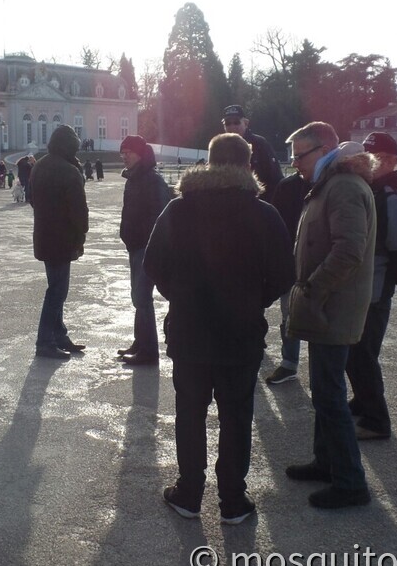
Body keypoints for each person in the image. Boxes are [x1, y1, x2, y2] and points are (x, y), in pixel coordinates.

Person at [146, 133, 294, 525]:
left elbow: (153, 264)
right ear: (249, 165)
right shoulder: (265, 214)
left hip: (190, 330)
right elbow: (284, 275)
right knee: (236, 414)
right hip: (240, 332)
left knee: (190, 412)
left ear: (209, 163)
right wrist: (252, 300)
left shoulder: (178, 210)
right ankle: (232, 499)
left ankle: (189, 493)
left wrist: (180, 295)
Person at [283, 122, 378, 510]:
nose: (294, 165)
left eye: (299, 156)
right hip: (328, 306)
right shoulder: (333, 184)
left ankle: (350, 481)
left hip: (333, 306)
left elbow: (348, 251)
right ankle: (328, 463)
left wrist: (313, 289)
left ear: (323, 151)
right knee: (325, 390)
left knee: (330, 395)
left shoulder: (342, 188)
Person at [346, 132, 397, 440]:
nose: (367, 162)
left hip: (375, 289)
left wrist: (387, 280)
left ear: (392, 161)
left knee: (362, 353)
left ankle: (377, 420)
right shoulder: (375, 188)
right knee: (357, 351)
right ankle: (363, 402)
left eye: (373, 157)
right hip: (367, 285)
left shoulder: (391, 193)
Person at [31, 124, 89, 360]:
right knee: (57, 291)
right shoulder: (69, 171)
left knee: (56, 287)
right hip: (63, 239)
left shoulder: (39, 166)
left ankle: (58, 335)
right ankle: (45, 341)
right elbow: (79, 211)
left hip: (44, 236)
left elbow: (31, 199)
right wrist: (81, 233)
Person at [117, 135, 171, 366]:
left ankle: (149, 351)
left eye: (128, 152)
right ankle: (141, 342)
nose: (124, 156)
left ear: (140, 153)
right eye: (123, 152)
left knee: (142, 297)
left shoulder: (152, 180)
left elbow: (161, 217)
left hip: (146, 248)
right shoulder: (134, 179)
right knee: (137, 297)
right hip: (135, 246)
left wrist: (150, 243)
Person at [264, 167, 312, 385]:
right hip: (290, 261)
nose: (296, 162)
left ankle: (320, 373)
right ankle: (289, 363)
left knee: (321, 319)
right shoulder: (287, 186)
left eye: (300, 156)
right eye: (294, 157)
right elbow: (274, 225)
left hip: (316, 262)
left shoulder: (332, 185)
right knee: (288, 314)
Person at [222, 105, 283, 191]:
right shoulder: (220, 147)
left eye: (236, 122)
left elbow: (275, 178)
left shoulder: (260, 144)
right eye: (228, 123)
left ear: (246, 123)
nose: (232, 127)